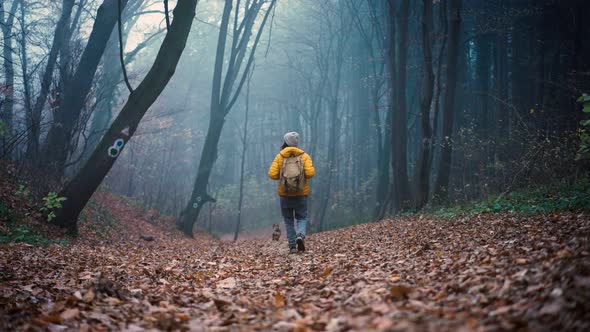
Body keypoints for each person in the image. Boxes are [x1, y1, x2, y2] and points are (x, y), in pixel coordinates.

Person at [268, 132, 315, 254]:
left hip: (285, 194)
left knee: (288, 220)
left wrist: (284, 177)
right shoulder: (304, 156)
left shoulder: (280, 157)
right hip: (301, 193)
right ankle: (300, 235)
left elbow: (272, 174)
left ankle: (292, 246)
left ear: (285, 142)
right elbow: (310, 174)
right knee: (302, 217)